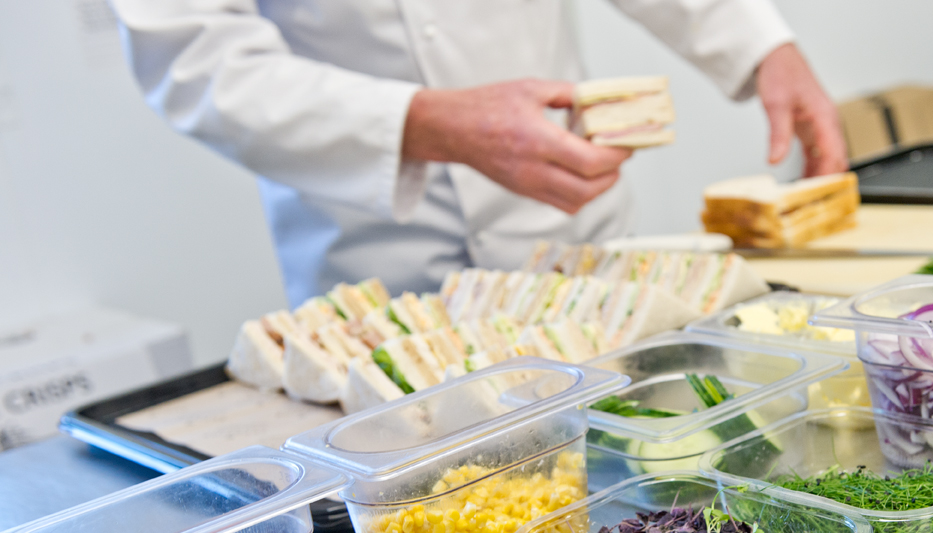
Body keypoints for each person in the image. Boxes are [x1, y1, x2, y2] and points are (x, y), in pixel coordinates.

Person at [110, 1, 847, 307]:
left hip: (572, 241)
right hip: (384, 270)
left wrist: (758, 43)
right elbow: (193, 59)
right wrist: (425, 122)